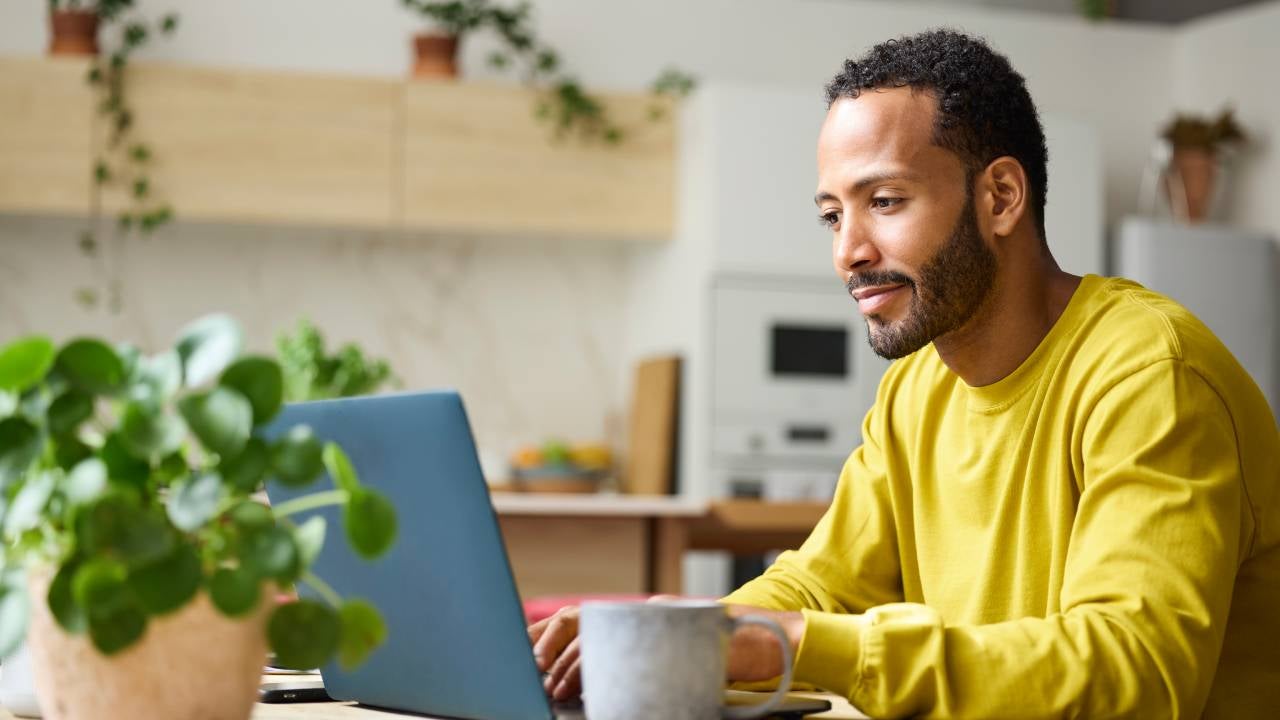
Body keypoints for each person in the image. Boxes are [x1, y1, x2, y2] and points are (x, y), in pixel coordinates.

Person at [528, 29, 1279, 718]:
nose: (848, 251)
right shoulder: (917, 390)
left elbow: (1135, 671)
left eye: (884, 202)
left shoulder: (1151, 375)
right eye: (832, 216)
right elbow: (823, 583)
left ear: (1001, 198)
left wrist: (791, 642)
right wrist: (679, 633)